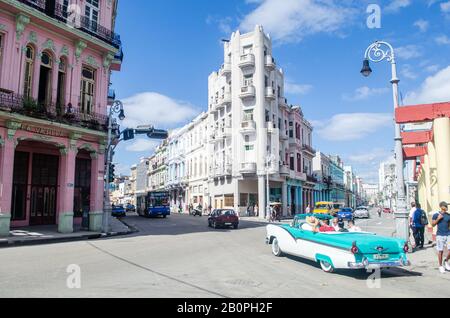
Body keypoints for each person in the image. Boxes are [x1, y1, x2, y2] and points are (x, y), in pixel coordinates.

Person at [432, 202, 450, 274]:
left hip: (448, 234)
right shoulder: (436, 215)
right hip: (440, 235)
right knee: (440, 251)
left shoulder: (448, 215)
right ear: (441, 206)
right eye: (445, 206)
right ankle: (440, 266)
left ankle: (446, 261)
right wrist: (438, 219)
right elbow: (433, 224)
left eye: (447, 206)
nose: (446, 207)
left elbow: (449, 225)